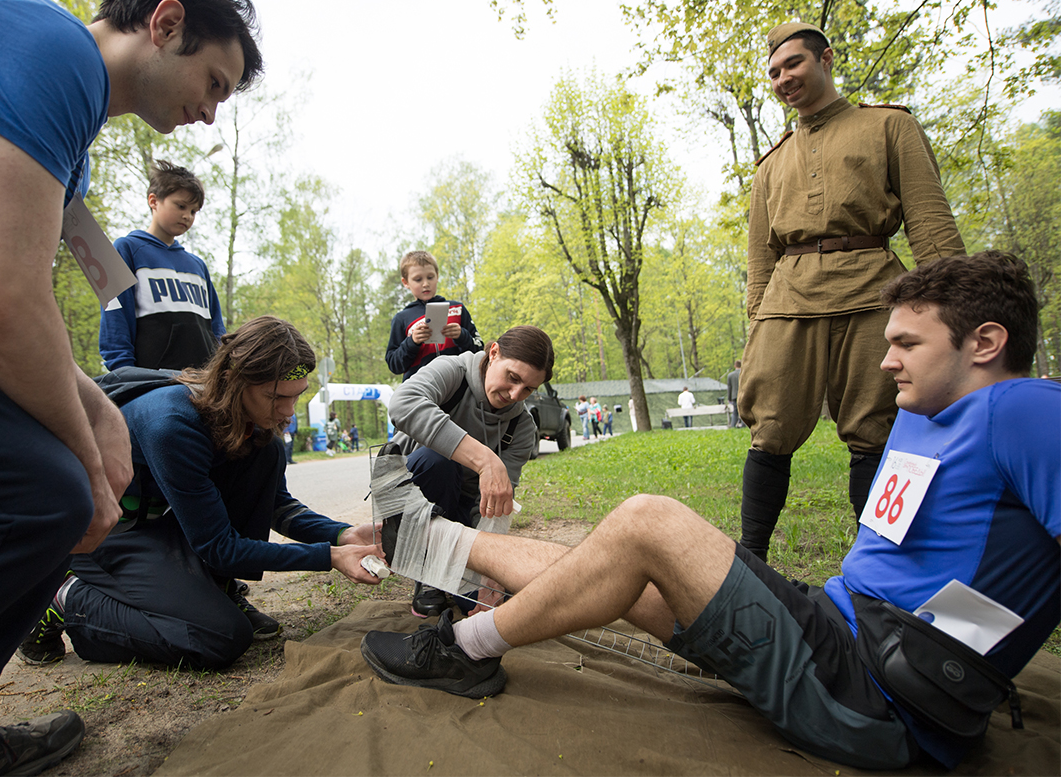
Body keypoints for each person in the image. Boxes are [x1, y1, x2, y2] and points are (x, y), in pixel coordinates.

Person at [361, 251, 1059, 771]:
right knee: (604, 566)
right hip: (827, 625)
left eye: (908, 344)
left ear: (986, 343)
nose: (885, 362)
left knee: (646, 522)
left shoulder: (1024, 409)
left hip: (879, 688)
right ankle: (426, 544)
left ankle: (461, 651)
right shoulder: (922, 413)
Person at [0, 0, 261, 773]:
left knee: (53, 497)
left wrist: (98, 421)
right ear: (165, 22)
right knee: (39, 494)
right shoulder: (49, 46)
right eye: (213, 83)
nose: (212, 112)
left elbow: (19, 300)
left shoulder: (67, 155)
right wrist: (89, 448)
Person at [18, 316, 384, 670]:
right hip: (104, 535)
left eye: (296, 396)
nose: (288, 413)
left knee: (268, 450)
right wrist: (331, 556)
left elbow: (274, 504)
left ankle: (213, 587)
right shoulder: (173, 426)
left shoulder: (250, 420)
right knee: (218, 637)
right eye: (275, 397)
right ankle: (68, 597)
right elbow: (219, 547)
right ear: (233, 381)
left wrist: (341, 534)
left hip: (162, 525)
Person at [738, 22, 966, 562]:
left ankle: (878, 567)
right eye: (773, 72)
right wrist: (757, 316)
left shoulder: (889, 126)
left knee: (876, 432)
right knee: (769, 428)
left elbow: (929, 219)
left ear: (826, 60)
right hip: (788, 301)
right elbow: (759, 253)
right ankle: (749, 562)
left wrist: (956, 306)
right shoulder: (770, 165)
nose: (782, 78)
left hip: (873, 294)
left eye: (792, 64)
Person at [388, 326, 553, 617]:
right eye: (512, 378)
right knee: (438, 461)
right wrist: (485, 460)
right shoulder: (452, 370)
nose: (515, 394)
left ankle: (455, 573)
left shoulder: (522, 427)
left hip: (461, 513)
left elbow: (494, 503)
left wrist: (492, 567)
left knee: (487, 602)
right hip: (411, 499)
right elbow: (403, 404)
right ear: (493, 353)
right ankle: (428, 574)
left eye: (528, 389)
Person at [100, 160, 226, 371]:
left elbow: (217, 328)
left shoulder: (197, 266)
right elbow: (115, 318)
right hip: (152, 383)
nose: (187, 216)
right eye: (181, 206)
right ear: (154, 201)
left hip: (203, 383)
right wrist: (123, 372)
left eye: (194, 211)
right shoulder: (126, 249)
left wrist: (222, 370)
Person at [386, 250, 482, 381]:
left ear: (437, 276)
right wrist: (412, 342)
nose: (425, 283)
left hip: (458, 384)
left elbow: (480, 351)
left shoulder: (457, 309)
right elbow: (394, 365)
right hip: (421, 389)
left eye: (430, 277)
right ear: (406, 282)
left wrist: (462, 335)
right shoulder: (401, 318)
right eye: (418, 279)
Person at [726, 360, 742, 428]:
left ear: (735, 366)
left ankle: (733, 425)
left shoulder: (730, 375)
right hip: (743, 394)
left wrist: (729, 398)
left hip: (734, 396)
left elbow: (729, 388)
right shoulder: (743, 374)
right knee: (743, 411)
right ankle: (744, 425)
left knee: (735, 411)